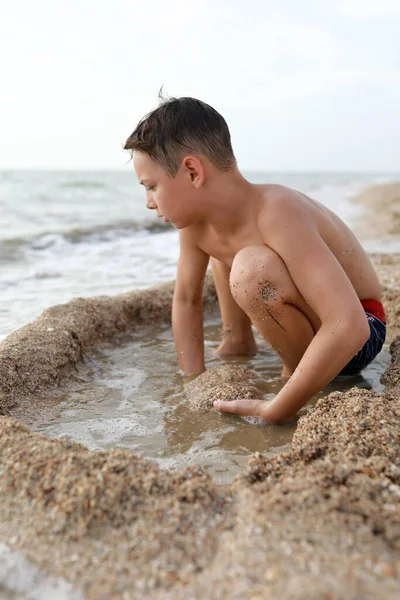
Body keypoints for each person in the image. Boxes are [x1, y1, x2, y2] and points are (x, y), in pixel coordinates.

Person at [124, 96, 386, 424]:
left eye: (151, 186)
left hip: (360, 330)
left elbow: (349, 326)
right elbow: (187, 299)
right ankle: (237, 340)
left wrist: (277, 407)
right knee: (226, 244)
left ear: (192, 171)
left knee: (250, 268)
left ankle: (295, 372)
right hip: (332, 323)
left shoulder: (277, 210)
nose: (148, 202)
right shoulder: (196, 223)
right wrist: (194, 380)